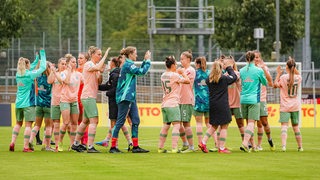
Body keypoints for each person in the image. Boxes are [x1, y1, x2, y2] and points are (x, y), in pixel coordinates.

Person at [109, 46, 151, 153]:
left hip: (130, 97)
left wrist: (145, 60)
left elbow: (138, 71)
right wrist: (148, 61)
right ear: (130, 54)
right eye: (135, 53)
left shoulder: (129, 64)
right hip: (125, 97)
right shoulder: (128, 64)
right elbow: (142, 72)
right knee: (120, 121)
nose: (136, 55)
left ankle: (135, 146)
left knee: (135, 120)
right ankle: (113, 147)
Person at [71, 46, 110, 153]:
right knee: (94, 121)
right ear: (92, 55)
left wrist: (100, 72)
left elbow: (98, 81)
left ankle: (75, 144)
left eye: (101, 54)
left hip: (88, 96)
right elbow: (97, 67)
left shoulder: (94, 66)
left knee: (85, 121)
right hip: (88, 96)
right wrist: (106, 55)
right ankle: (90, 146)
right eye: (99, 54)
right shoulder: (89, 64)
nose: (100, 56)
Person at [9, 49, 47, 152]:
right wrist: (43, 55)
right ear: (27, 65)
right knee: (28, 125)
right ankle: (25, 147)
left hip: (18, 103)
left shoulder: (18, 74)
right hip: (28, 104)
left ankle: (12, 142)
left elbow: (31, 67)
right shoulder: (30, 74)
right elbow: (42, 67)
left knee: (18, 124)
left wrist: (36, 59)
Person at [198, 59, 237, 154]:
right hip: (222, 105)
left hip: (213, 105)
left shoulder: (208, 80)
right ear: (221, 69)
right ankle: (222, 148)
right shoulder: (224, 79)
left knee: (213, 126)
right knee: (224, 126)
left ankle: (203, 142)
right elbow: (234, 77)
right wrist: (229, 67)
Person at [95, 56, 132, 149]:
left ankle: (114, 145)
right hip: (117, 101)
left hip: (114, 101)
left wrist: (108, 93)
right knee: (120, 122)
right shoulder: (115, 73)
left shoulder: (115, 74)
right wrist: (96, 86)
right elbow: (108, 85)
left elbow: (115, 89)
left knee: (113, 122)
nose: (108, 64)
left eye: (110, 62)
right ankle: (129, 142)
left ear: (113, 64)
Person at [158, 56, 190, 153]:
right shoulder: (175, 76)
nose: (177, 66)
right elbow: (188, 81)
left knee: (166, 126)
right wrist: (183, 73)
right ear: (172, 65)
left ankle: (160, 147)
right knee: (177, 125)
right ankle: (174, 148)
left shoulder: (163, 75)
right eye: (175, 64)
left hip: (164, 104)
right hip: (173, 103)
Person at [239, 51, 268, 152]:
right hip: (254, 99)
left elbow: (240, 83)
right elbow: (265, 82)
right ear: (253, 59)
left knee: (248, 124)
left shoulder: (241, 70)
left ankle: (253, 145)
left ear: (246, 59)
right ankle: (245, 143)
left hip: (243, 99)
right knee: (251, 123)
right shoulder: (258, 70)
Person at [274, 57, 303, 152]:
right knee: (296, 127)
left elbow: (275, 85)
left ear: (286, 67)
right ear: (294, 67)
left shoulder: (283, 78)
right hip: (295, 105)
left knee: (284, 126)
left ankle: (283, 146)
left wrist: (278, 74)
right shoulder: (298, 78)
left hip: (285, 106)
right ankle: (300, 147)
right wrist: (293, 65)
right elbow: (297, 73)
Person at [59, 54, 83, 151]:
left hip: (74, 101)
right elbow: (67, 81)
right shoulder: (63, 73)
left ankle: (73, 145)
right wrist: (69, 70)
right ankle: (59, 142)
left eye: (75, 62)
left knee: (74, 124)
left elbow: (85, 82)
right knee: (65, 123)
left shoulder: (79, 74)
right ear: (68, 63)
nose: (75, 63)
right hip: (65, 100)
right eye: (73, 62)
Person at [28, 61, 54, 151]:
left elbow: (36, 90)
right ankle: (46, 146)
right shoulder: (50, 77)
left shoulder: (37, 77)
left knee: (37, 125)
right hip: (48, 104)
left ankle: (30, 140)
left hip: (39, 104)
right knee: (49, 127)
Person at [193, 56, 217, 150]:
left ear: (197, 64)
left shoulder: (195, 73)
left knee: (199, 123)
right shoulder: (208, 73)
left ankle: (200, 144)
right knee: (210, 124)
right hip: (208, 101)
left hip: (198, 101)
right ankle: (216, 143)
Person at [253, 50, 275, 151]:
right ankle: (256, 145)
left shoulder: (264, 68)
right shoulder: (249, 69)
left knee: (264, 122)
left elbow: (270, 83)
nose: (256, 59)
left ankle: (270, 140)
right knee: (254, 123)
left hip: (261, 99)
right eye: (254, 57)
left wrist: (263, 69)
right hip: (252, 99)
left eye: (257, 57)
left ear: (260, 58)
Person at [178, 50, 196, 153]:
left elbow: (186, 80)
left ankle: (191, 146)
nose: (181, 61)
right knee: (177, 123)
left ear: (188, 60)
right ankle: (185, 143)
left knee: (186, 123)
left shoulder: (190, 70)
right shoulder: (182, 70)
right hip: (179, 99)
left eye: (182, 59)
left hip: (187, 99)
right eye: (180, 59)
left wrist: (180, 74)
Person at [48, 57, 67, 151]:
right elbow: (49, 81)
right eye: (62, 64)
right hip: (55, 101)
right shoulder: (55, 73)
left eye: (65, 64)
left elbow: (61, 81)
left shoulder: (66, 74)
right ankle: (56, 144)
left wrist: (55, 73)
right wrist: (52, 71)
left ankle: (62, 142)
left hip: (65, 101)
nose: (64, 66)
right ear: (58, 64)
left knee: (67, 123)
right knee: (56, 124)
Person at [76, 52, 89, 146]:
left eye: (81, 58)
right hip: (76, 97)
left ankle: (84, 141)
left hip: (84, 96)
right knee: (78, 120)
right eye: (78, 58)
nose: (79, 60)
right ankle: (77, 141)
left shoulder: (87, 70)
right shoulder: (76, 70)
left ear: (86, 60)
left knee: (85, 120)